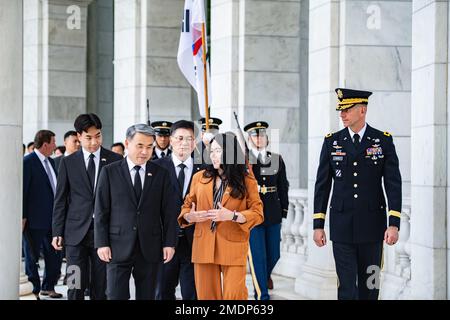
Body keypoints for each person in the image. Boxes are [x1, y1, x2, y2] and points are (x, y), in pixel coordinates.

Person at [313, 88, 402, 300]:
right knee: (346, 287)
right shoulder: (331, 142)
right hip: (342, 226)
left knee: (370, 285)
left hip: (373, 227)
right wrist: (318, 225)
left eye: (347, 110)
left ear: (362, 110)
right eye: (340, 110)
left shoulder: (382, 141)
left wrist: (394, 223)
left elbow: (393, 184)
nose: (342, 115)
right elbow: (322, 186)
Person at [95, 124, 178, 300]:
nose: (145, 151)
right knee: (115, 295)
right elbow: (101, 211)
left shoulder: (161, 174)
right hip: (117, 246)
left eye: (149, 147)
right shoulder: (109, 172)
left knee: (147, 296)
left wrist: (169, 243)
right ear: (127, 143)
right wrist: (101, 243)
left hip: (150, 246)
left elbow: (169, 212)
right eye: (140, 146)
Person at [178, 132, 264, 300]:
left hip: (233, 244)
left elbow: (258, 213)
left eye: (218, 151)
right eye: (211, 151)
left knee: (234, 295)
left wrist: (232, 216)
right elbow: (186, 208)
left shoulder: (247, 180)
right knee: (206, 296)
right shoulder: (199, 178)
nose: (212, 155)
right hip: (203, 244)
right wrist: (190, 217)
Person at [52, 114, 123, 300]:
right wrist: (57, 231)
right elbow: (60, 199)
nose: (94, 142)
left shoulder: (115, 160)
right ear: (79, 136)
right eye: (89, 137)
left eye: (98, 136)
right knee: (75, 285)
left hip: (104, 234)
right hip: (75, 236)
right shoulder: (68, 162)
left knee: (100, 287)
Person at [155, 120, 203, 300]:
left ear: (195, 143)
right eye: (180, 138)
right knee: (163, 292)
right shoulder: (157, 167)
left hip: (194, 242)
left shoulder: (205, 171)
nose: (184, 143)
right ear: (171, 140)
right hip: (165, 242)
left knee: (192, 293)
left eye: (189, 139)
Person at [243, 121, 289, 300]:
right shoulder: (244, 160)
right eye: (255, 135)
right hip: (252, 214)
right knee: (257, 257)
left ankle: (263, 277)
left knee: (274, 254)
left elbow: (283, 186)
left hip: (272, 212)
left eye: (262, 135)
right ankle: (262, 295)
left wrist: (283, 210)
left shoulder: (276, 159)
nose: (259, 138)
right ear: (249, 139)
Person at [23, 130, 62, 299]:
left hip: (53, 220)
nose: (55, 145)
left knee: (55, 254)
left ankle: (48, 286)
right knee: (32, 257)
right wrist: (23, 216)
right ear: (45, 144)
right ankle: (34, 290)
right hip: (33, 220)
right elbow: (23, 191)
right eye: (53, 142)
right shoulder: (28, 162)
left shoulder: (51, 162)